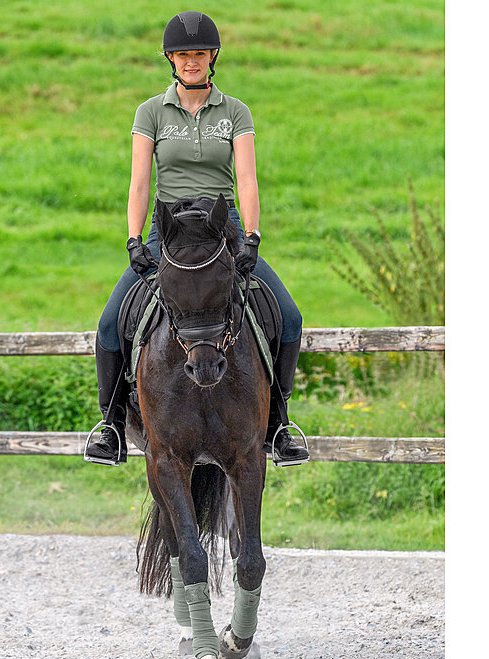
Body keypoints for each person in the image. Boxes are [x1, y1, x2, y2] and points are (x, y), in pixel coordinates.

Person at [86, 11, 309, 466]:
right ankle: (110, 425)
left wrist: (250, 237)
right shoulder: (149, 112)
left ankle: (280, 424)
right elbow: (140, 184)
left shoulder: (235, 111)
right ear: (171, 58)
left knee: (288, 315)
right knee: (110, 324)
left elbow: (246, 179)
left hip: (222, 228)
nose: (193, 61)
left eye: (200, 53)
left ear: (213, 57)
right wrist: (133, 240)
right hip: (166, 232)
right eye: (184, 54)